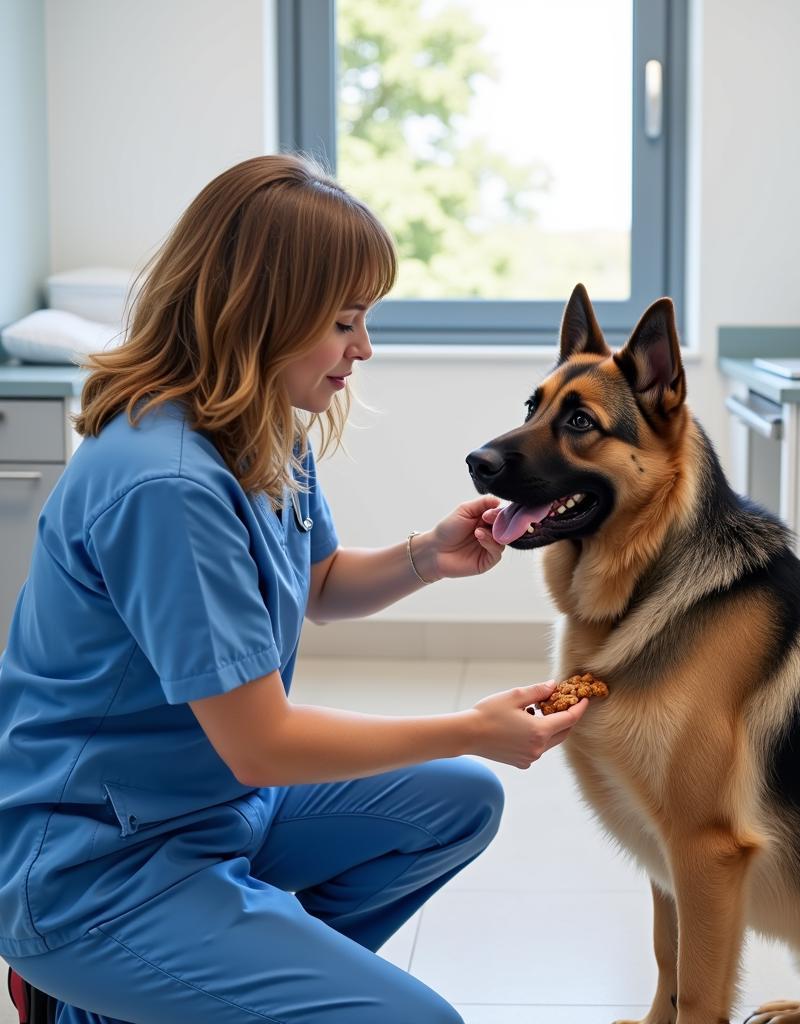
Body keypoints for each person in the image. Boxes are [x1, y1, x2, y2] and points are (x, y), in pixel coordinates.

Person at [0, 153, 590, 1023]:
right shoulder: (166, 483)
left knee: (459, 801)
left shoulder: (263, 427)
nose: (365, 347)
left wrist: (427, 554)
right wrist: (472, 726)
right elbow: (261, 743)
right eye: (345, 321)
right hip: (97, 868)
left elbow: (315, 583)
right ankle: (102, 991)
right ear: (261, 314)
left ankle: (186, 990)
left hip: (211, 810)